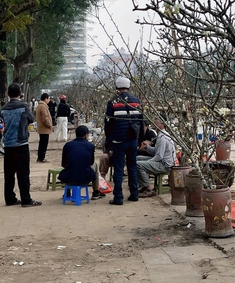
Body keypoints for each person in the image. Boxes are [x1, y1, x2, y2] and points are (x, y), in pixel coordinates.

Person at [1, 83, 41, 207]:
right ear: (20, 93)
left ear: (8, 94)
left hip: (7, 144)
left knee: (9, 173)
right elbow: (30, 119)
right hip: (21, 143)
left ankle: (10, 198)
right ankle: (26, 199)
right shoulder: (24, 106)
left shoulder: (3, 109)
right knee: (23, 173)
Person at [104, 76, 142, 205]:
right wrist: (140, 139)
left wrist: (108, 142)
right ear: (129, 86)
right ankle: (134, 194)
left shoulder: (113, 102)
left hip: (118, 140)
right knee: (132, 167)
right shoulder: (136, 101)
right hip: (133, 139)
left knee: (119, 168)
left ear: (116, 87)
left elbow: (108, 124)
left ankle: (118, 197)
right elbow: (142, 121)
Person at [58, 125, 105, 200]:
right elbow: (91, 162)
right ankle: (95, 192)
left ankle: (67, 191)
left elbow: (63, 164)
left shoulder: (67, 145)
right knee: (95, 165)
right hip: (85, 176)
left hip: (69, 177)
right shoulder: (90, 146)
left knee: (70, 166)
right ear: (86, 135)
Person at [137, 122, 176, 197]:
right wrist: (146, 147)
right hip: (161, 161)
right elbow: (156, 151)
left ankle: (149, 189)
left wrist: (147, 162)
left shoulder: (163, 137)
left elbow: (159, 156)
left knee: (138, 164)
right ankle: (144, 186)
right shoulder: (160, 135)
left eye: (156, 121)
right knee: (137, 158)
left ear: (162, 124)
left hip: (164, 165)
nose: (153, 122)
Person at [35, 93, 53, 163]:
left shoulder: (41, 106)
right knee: (43, 144)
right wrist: (50, 125)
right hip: (44, 128)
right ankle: (41, 157)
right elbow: (45, 118)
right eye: (48, 99)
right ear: (45, 99)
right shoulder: (43, 106)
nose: (49, 100)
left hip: (42, 128)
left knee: (42, 143)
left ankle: (40, 157)